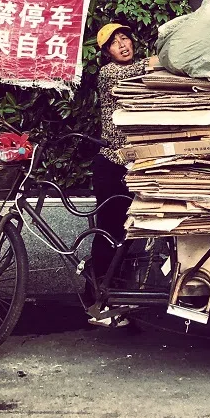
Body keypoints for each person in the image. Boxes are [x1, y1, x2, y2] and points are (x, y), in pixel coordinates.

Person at [86, 21, 150, 327]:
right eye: (115, 42)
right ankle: (97, 302)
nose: (123, 45)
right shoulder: (110, 73)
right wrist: (160, 61)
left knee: (125, 233)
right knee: (109, 232)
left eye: (125, 38)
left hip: (131, 165)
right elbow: (134, 73)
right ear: (106, 52)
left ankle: (115, 296)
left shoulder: (140, 70)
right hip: (111, 165)